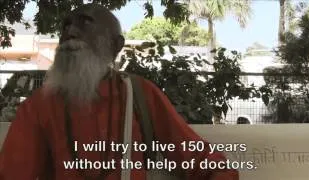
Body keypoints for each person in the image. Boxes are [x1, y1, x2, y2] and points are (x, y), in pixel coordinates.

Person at [0, 4, 239, 180]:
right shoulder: (38, 107)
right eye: (66, 25)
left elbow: (199, 159)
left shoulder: (140, 94)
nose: (69, 32)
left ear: (116, 45)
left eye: (84, 22)